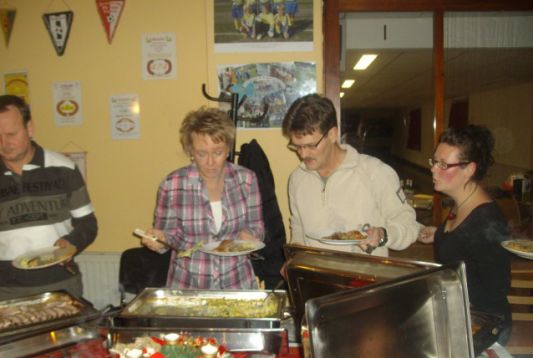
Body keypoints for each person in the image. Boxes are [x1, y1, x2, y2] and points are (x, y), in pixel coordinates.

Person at [282, 93, 419, 257]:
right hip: (316, 272)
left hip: (365, 272)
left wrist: (382, 235)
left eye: (311, 146)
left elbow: (408, 223)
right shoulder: (297, 179)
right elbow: (298, 225)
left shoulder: (375, 172)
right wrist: (296, 255)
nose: (303, 154)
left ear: (332, 134)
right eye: (297, 146)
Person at [141, 107, 264, 289]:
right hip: (188, 284)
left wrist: (251, 235)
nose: (210, 162)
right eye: (201, 154)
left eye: (218, 152)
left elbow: (257, 227)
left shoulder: (246, 179)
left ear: (228, 148)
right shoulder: (172, 184)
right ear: (190, 151)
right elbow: (170, 237)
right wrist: (159, 240)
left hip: (237, 282)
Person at [418, 125, 511, 343]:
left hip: (483, 327)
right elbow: (465, 245)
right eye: (434, 161)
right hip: (459, 315)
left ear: (469, 169)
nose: (433, 170)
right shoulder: (461, 203)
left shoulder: (487, 221)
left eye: (443, 164)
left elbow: (496, 290)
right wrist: (439, 234)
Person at [0, 95, 97, 301]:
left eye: (11, 134)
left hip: (60, 283)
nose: (4, 143)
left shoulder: (63, 168)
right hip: (6, 289)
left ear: (29, 128)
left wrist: (72, 243)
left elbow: (88, 224)